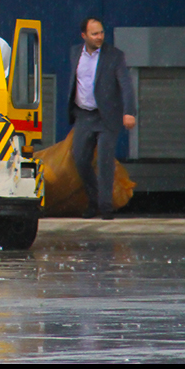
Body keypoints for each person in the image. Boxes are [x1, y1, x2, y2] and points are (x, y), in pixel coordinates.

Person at [68, 17, 136, 220]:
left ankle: (105, 206)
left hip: (107, 115)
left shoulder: (114, 56)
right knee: (79, 158)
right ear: (84, 36)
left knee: (105, 160)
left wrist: (129, 111)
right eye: (94, 34)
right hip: (83, 114)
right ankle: (93, 199)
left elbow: (125, 85)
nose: (99, 37)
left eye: (101, 33)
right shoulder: (74, 53)